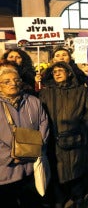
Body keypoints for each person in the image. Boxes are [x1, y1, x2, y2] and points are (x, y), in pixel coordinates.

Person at [39, 61, 88, 207]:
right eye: (54, 71)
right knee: (56, 169)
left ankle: (78, 196)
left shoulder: (80, 90)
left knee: (76, 167)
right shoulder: (46, 92)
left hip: (75, 136)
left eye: (60, 70)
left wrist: (83, 125)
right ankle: (59, 198)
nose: (57, 73)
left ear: (69, 73)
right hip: (53, 138)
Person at [0, 66, 49, 208]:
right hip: (5, 171)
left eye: (16, 80)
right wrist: (9, 157)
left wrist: (37, 148)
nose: (13, 84)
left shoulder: (33, 101)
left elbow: (43, 124)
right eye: (7, 81)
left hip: (30, 168)